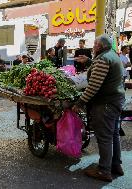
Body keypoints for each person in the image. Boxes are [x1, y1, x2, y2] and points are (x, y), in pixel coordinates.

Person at [73, 34, 125, 182]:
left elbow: (94, 86)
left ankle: (104, 171)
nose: (93, 47)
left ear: (100, 46)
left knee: (104, 137)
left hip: (106, 104)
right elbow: (103, 72)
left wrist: (80, 103)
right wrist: (89, 61)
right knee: (113, 134)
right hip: (116, 101)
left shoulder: (103, 59)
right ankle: (116, 165)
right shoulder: (112, 55)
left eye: (95, 44)